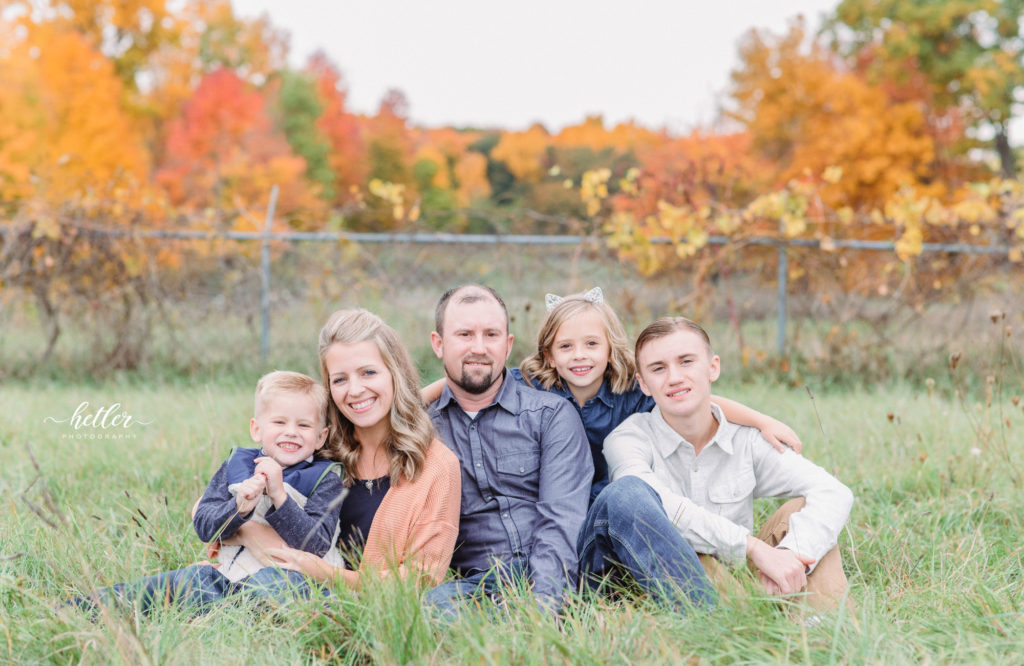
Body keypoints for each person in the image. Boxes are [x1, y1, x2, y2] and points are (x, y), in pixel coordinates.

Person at [424, 287, 803, 503]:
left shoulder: (628, 391)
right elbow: (467, 381)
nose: (580, 356)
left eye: (591, 344)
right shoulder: (536, 386)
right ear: (550, 356)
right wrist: (411, 401)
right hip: (557, 498)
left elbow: (701, 403)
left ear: (610, 348)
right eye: (567, 346)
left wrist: (761, 420)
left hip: (619, 496)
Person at [580, 316, 855, 612]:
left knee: (802, 513)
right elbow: (654, 508)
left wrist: (789, 555)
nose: (674, 377)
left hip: (739, 576)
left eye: (686, 362)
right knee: (686, 542)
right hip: (671, 583)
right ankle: (739, 626)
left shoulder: (747, 440)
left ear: (713, 368)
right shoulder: (626, 439)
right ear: (644, 384)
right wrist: (753, 548)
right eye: (659, 368)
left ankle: (826, 636)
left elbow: (833, 491)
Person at [224, 308, 462, 591]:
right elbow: (207, 507)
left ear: (394, 373)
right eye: (340, 379)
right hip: (264, 582)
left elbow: (420, 580)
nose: (355, 390)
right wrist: (248, 529)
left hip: (341, 610)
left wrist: (326, 574)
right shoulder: (319, 446)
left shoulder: (436, 467)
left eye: (368, 372)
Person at [72, 370, 346, 613]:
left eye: (304, 425)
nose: (291, 432)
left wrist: (279, 497)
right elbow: (205, 524)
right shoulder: (236, 467)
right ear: (256, 429)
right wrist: (238, 508)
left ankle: (222, 615)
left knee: (266, 592)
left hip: (288, 580)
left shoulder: (324, 478)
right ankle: (77, 610)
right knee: (173, 584)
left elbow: (316, 545)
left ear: (321, 436)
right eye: (279, 423)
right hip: (225, 577)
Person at [425, 285, 592, 615]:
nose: (479, 347)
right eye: (464, 334)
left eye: (491, 334)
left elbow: (561, 521)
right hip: (479, 582)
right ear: (439, 344)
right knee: (434, 609)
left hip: (558, 570)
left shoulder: (551, 416)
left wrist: (543, 607)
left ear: (508, 344)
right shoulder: (421, 429)